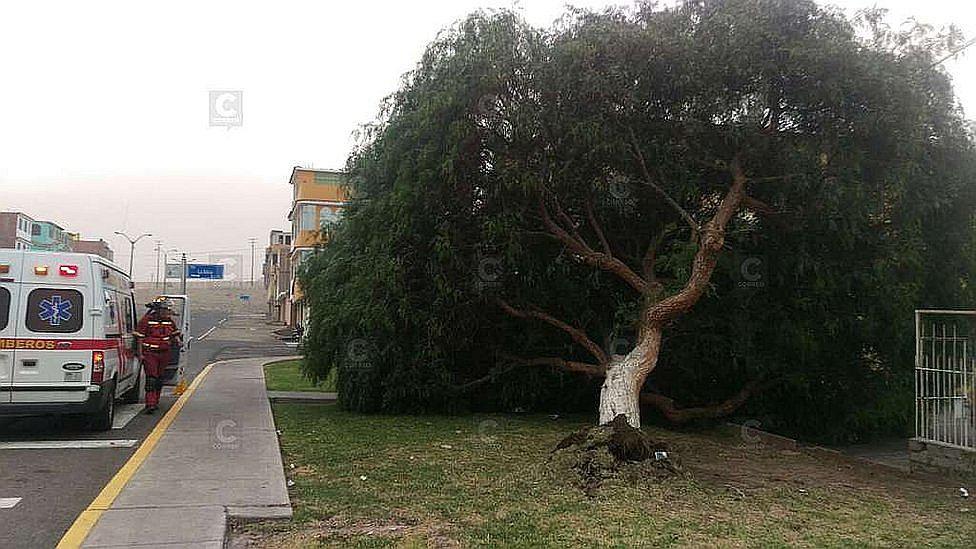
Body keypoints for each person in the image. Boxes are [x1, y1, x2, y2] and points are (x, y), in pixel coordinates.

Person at [134, 297, 182, 414]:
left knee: (160, 378)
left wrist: (178, 342)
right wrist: (140, 354)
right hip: (150, 353)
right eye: (166, 309)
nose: (168, 312)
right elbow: (139, 337)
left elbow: (174, 334)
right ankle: (150, 403)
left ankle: (155, 401)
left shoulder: (169, 321)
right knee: (152, 378)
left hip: (165, 353)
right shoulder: (146, 320)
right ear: (159, 310)